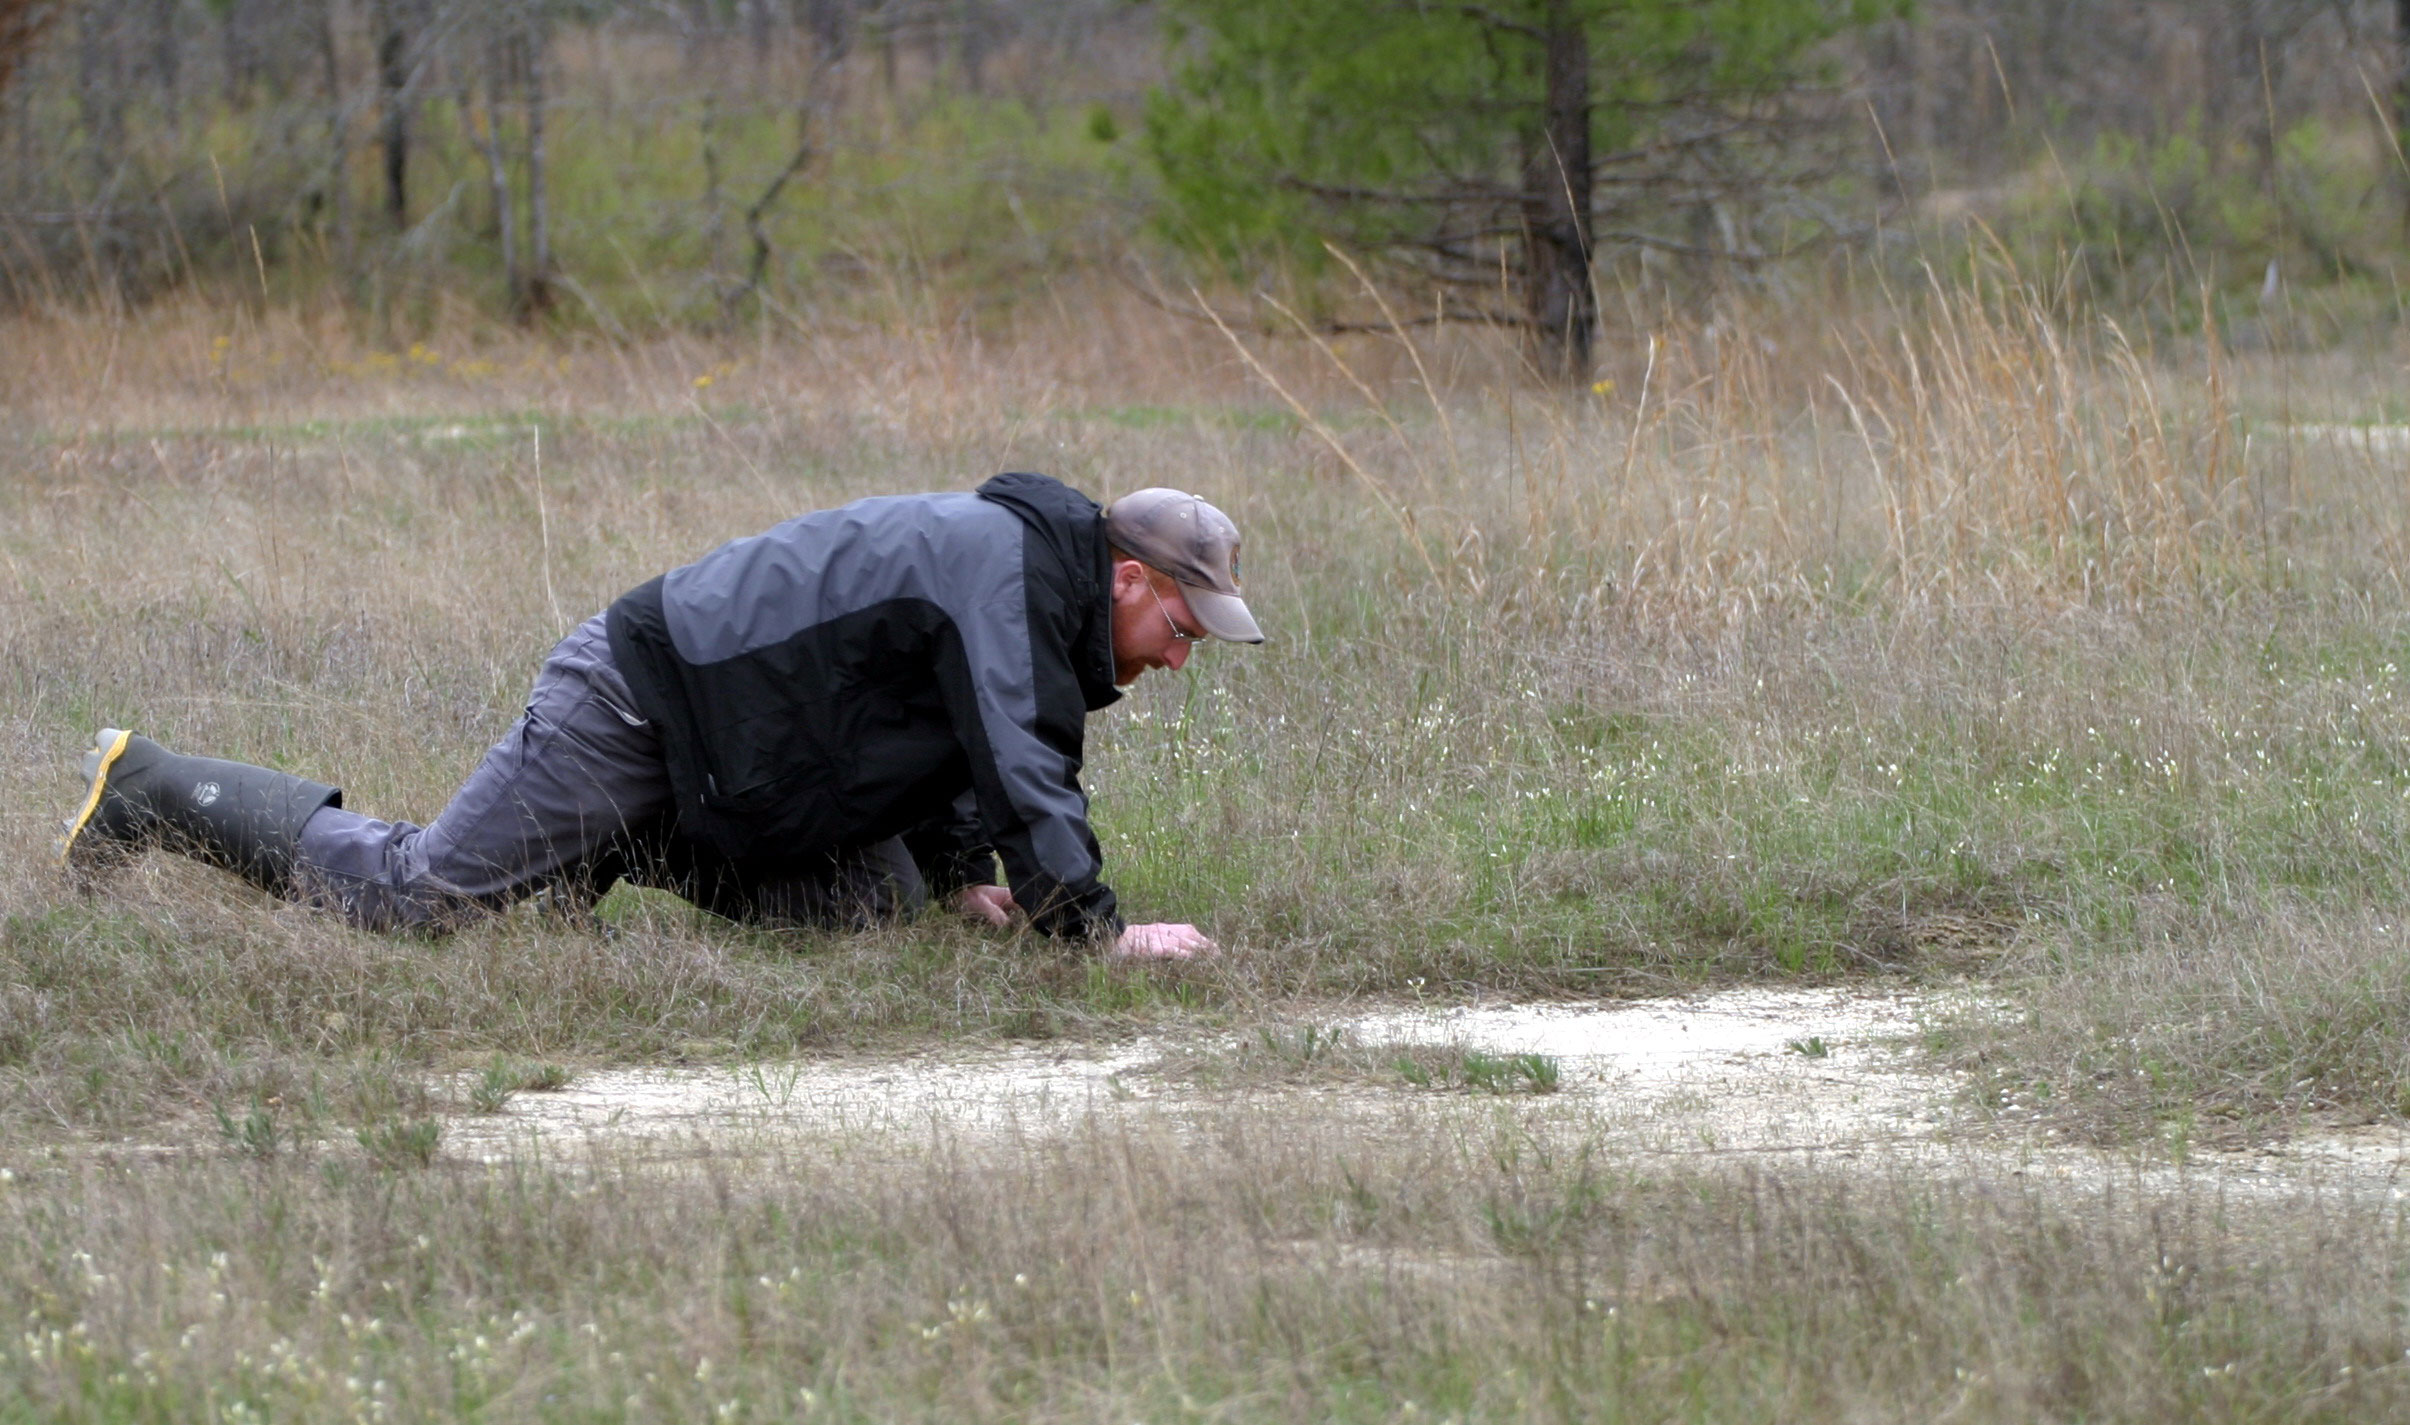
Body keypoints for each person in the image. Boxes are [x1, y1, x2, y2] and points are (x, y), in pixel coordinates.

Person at [57, 474, 1262, 960]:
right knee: (421, 899)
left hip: (731, 751)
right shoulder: (1005, 569)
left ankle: (615, 850)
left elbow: (944, 737)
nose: (1181, 657)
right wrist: (1093, 934)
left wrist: (956, 875)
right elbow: (1021, 764)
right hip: (642, 701)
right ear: (1128, 579)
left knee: (876, 909)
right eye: (1183, 629)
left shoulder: (1024, 587)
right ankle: (156, 786)